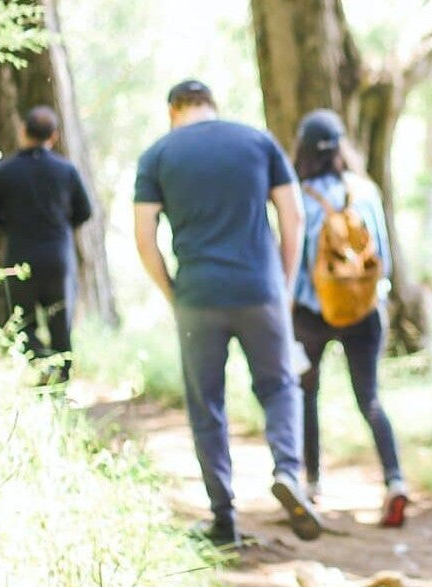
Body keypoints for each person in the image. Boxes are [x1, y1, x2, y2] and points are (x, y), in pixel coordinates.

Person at [134, 80, 321, 546]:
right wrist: (283, 282)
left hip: (197, 296)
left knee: (207, 406)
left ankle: (223, 519)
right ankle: (289, 472)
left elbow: (144, 235)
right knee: (279, 387)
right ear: (212, 106)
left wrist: (170, 291)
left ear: (173, 110)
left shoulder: (158, 154)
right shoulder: (258, 142)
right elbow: (292, 216)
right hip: (260, 290)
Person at [290, 109, 409, 528]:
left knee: (306, 393)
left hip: (311, 312)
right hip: (363, 311)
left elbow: (292, 261)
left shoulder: (296, 195)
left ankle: (311, 482)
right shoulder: (365, 191)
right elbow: (385, 261)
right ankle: (395, 481)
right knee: (370, 397)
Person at [0, 106, 92, 384]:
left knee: (22, 323)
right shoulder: (66, 170)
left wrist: (13, 225)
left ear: (23, 131)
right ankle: (61, 382)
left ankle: (42, 366)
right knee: (60, 323)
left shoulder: (3, 172)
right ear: (53, 137)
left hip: (21, 256)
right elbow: (85, 211)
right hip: (58, 257)